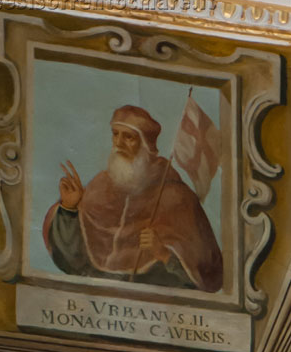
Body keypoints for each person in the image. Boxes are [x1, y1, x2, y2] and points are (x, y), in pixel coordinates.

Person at [44, 106, 222, 292]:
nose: (118, 143)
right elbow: (72, 263)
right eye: (115, 134)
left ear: (146, 145)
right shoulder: (98, 187)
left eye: (128, 137)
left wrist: (164, 254)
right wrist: (69, 210)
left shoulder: (177, 197)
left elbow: (206, 276)